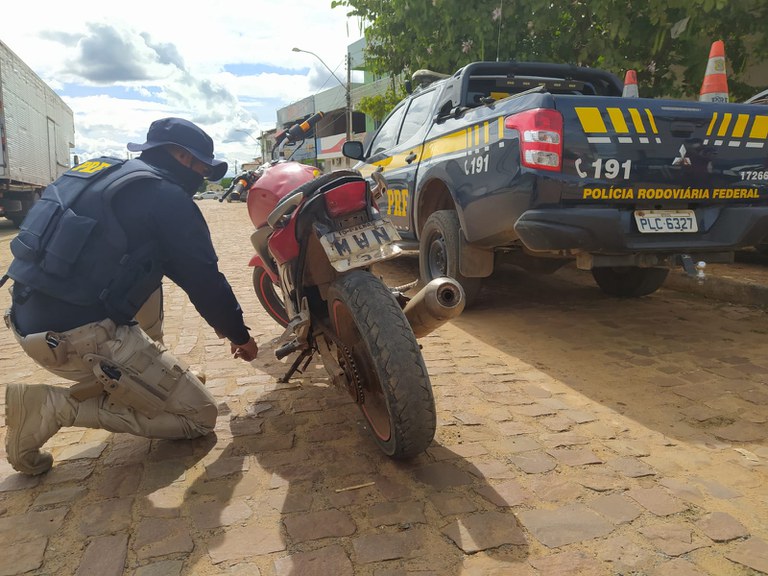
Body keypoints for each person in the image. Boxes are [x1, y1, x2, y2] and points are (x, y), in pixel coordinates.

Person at [1, 117, 259, 475]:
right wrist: (239, 335)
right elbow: (204, 281)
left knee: (148, 268)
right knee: (199, 417)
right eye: (201, 166)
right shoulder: (166, 197)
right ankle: (57, 407)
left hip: (26, 317)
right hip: (76, 341)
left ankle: (150, 375)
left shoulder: (100, 171)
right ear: (181, 158)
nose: (201, 176)